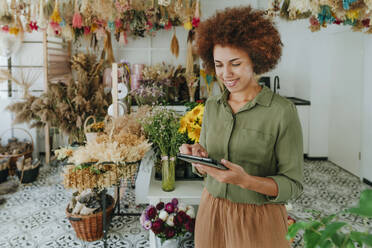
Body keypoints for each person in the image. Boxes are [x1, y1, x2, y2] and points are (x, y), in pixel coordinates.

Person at [179, 6, 304, 248]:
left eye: (235, 63)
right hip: (211, 212)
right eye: (219, 64)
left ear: (256, 59)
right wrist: (198, 159)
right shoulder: (213, 105)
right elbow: (206, 166)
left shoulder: (281, 112)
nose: (226, 73)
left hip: (258, 219)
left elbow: (293, 185)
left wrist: (246, 181)